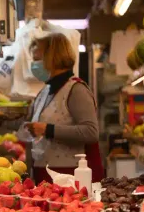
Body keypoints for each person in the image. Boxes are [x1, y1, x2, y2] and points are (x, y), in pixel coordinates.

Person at [23, 33, 103, 183]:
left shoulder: (76, 89)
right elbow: (32, 123)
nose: (34, 65)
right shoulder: (45, 91)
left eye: (37, 59)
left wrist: (48, 129)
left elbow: (91, 132)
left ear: (52, 57)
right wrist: (0, 119)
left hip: (70, 176)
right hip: (44, 173)